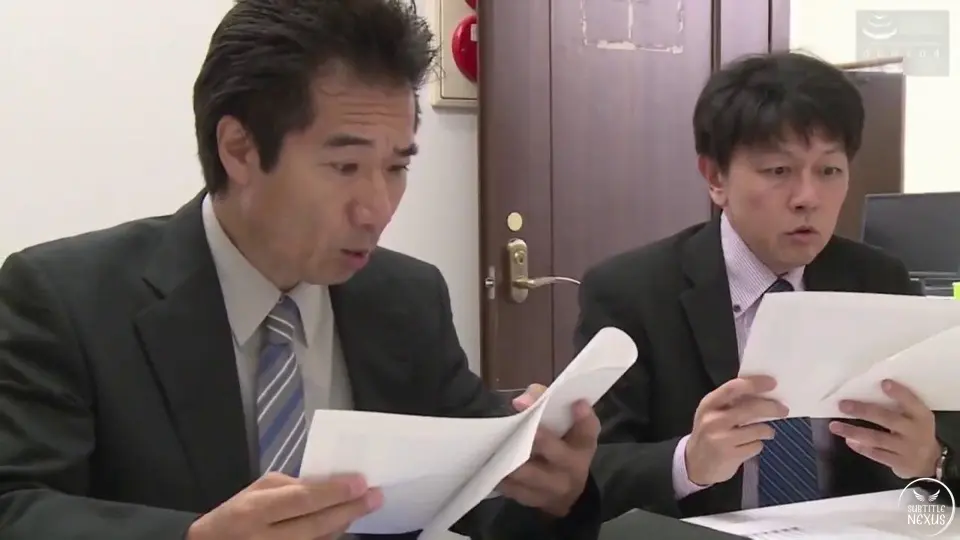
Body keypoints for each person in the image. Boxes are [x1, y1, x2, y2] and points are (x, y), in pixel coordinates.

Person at [0, 1, 604, 539]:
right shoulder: (65, 300)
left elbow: (473, 505)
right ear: (239, 149)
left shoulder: (406, 298)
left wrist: (552, 493)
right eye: (345, 167)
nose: (377, 208)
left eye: (396, 167)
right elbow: (17, 508)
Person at [577, 51, 960, 521]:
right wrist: (688, 463)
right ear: (715, 177)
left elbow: (946, 436)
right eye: (779, 171)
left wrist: (933, 460)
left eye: (829, 171)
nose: (808, 198)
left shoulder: (878, 281)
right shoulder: (630, 292)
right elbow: (586, 473)